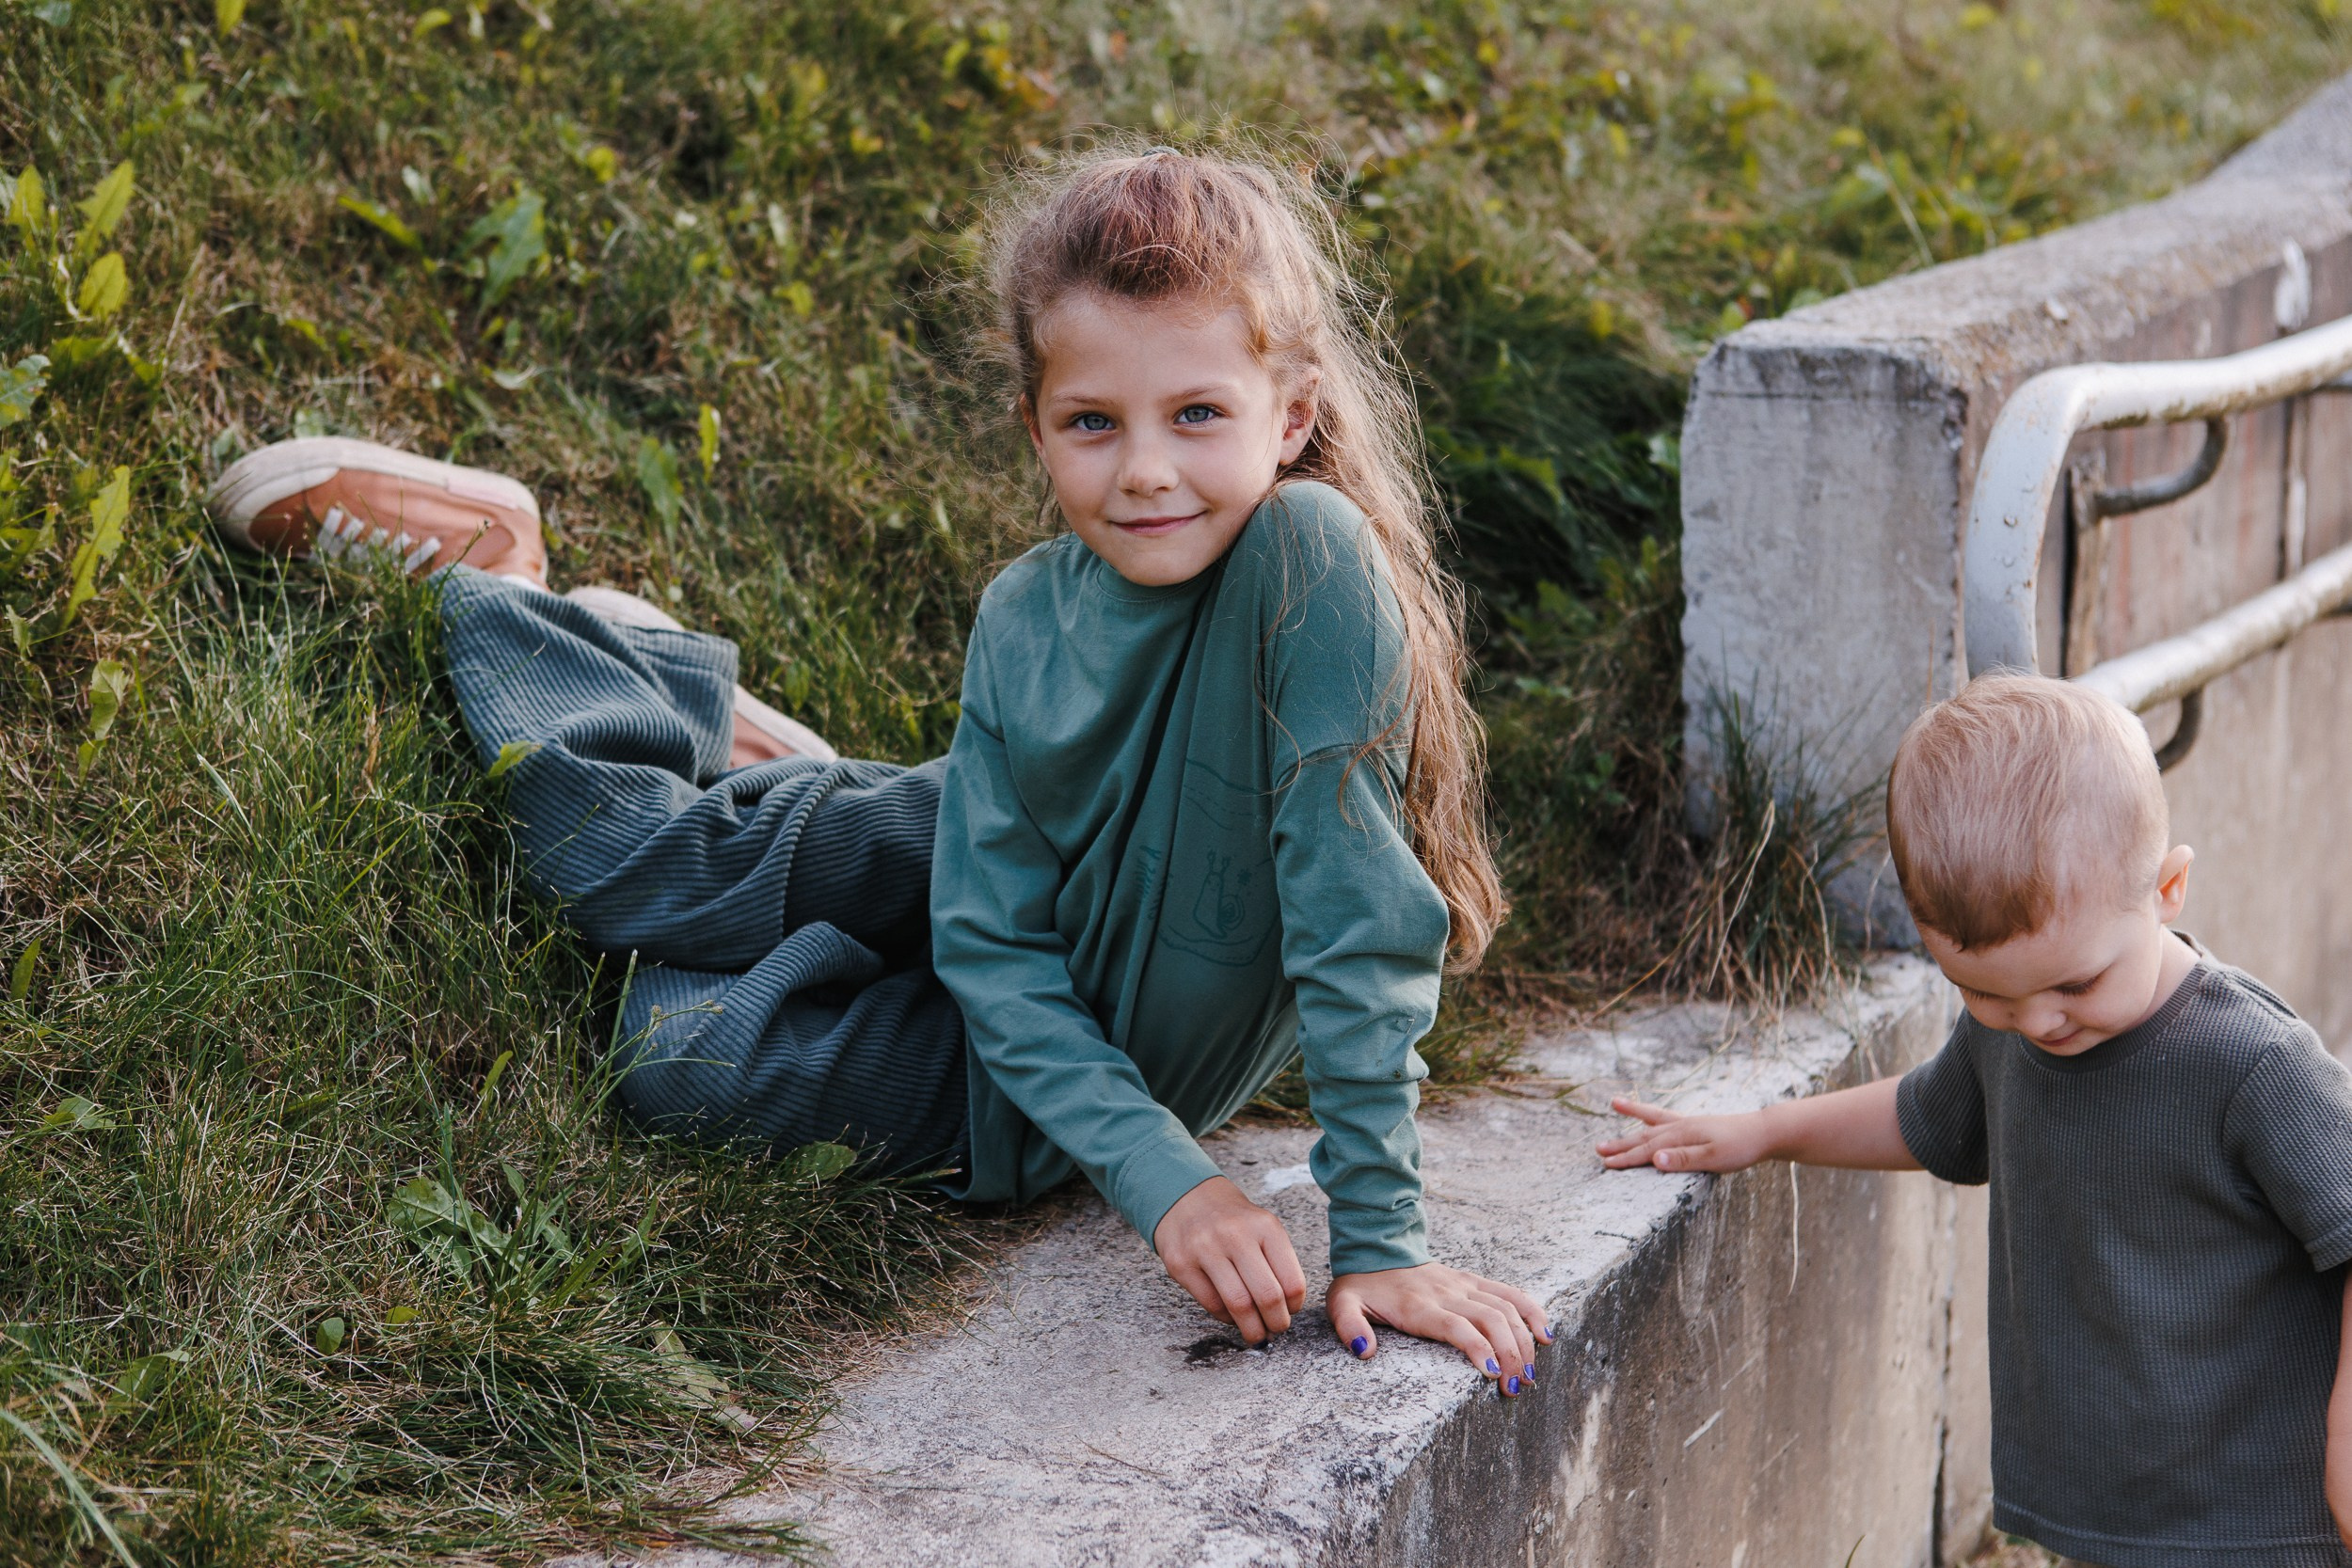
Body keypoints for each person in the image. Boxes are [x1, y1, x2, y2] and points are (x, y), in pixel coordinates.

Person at [207, 146, 1551, 1390]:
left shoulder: (1308, 558)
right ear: (1037, 426)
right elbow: (996, 931)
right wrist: (1174, 1179)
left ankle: (746, 772)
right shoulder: (1025, 613)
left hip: (1020, 1064)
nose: (1147, 470)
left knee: (671, 1053)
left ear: (1293, 413)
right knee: (615, 870)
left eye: (1198, 411)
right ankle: (518, 603)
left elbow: (1355, 919)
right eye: (1093, 422)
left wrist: (1351, 1227)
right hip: (973, 836)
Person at [1599, 673, 2352, 1567]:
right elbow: (1929, 1117)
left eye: (2075, 983)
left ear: (2169, 887)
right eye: (1983, 992)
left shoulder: (2252, 1064)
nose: (2038, 1024)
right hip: (2127, 1506)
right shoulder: (2021, 1026)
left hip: (2264, 1515)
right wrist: (1766, 1131)